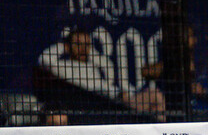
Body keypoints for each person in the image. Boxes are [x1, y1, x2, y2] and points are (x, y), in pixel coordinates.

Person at [36, 27, 165, 122]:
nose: (83, 48)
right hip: (81, 110)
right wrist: (64, 46)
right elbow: (43, 60)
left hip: (106, 106)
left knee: (155, 95)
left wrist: (121, 94)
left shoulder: (92, 67)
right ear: (68, 46)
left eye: (87, 45)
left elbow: (103, 87)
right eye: (78, 44)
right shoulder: (61, 66)